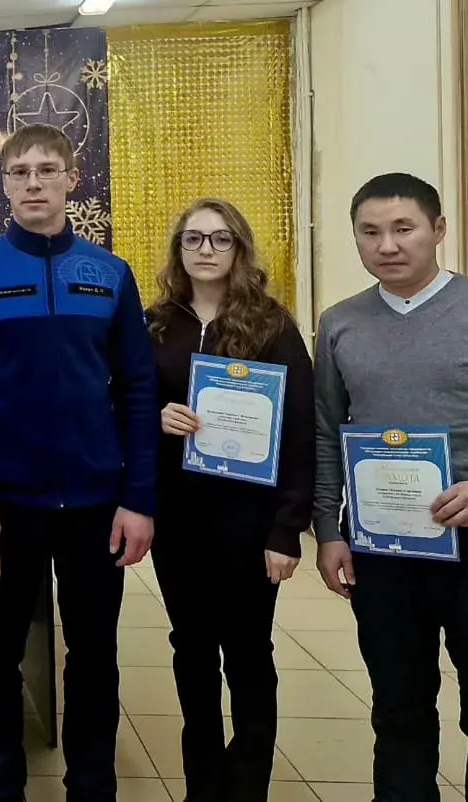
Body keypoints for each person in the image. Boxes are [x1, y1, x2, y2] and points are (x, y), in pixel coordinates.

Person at [0, 123, 160, 802]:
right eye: (20, 172)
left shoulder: (110, 274)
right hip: (5, 508)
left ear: (71, 179)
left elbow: (138, 389)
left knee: (94, 656)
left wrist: (139, 498)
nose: (34, 182)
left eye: (47, 170)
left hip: (97, 506)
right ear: (3, 184)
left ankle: (92, 785)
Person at [313, 173, 468, 801]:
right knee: (399, 714)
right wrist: (328, 530)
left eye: (403, 228)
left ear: (438, 229)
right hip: (385, 553)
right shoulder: (340, 323)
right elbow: (327, 431)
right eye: (370, 232)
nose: (387, 245)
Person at [145, 198, 315, 801]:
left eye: (220, 239)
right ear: (179, 250)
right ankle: (203, 783)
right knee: (190, 649)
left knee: (247, 651)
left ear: (239, 248)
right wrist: (155, 418)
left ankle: (246, 786)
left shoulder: (272, 326)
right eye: (193, 239)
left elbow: (300, 432)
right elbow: (125, 405)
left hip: (249, 521)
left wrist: (287, 527)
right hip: (177, 517)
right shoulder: (154, 325)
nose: (206, 250)